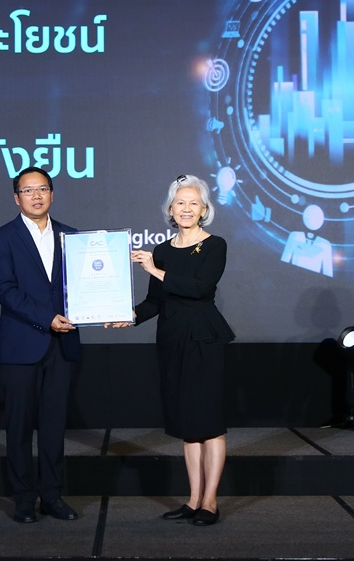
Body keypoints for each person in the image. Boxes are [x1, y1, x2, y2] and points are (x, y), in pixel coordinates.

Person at [130, 174, 235, 526]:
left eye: (193, 203)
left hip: (203, 339)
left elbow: (199, 288)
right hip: (172, 339)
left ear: (204, 210)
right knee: (188, 424)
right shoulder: (161, 250)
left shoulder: (215, 245)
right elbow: (154, 302)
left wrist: (155, 270)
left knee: (210, 423)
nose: (186, 209)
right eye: (180, 203)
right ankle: (193, 500)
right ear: (170, 209)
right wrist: (127, 316)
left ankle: (211, 502)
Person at [0, 167, 81, 524]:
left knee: (54, 426)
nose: (36, 196)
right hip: (21, 346)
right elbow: (3, 289)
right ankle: (24, 499)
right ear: (17, 198)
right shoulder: (2, 237)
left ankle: (52, 496)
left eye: (42, 189)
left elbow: (83, 286)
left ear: (52, 194)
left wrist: (100, 309)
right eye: (28, 191)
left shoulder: (72, 237)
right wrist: (47, 318)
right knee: (19, 427)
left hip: (62, 345)